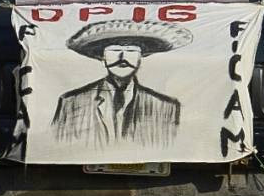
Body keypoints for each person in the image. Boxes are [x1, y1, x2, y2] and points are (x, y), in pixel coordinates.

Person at [52, 19, 193, 148]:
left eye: (131, 51)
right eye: (114, 51)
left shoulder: (165, 106)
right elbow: (59, 145)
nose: (123, 58)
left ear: (140, 58)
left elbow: (168, 148)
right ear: (102, 57)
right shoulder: (71, 102)